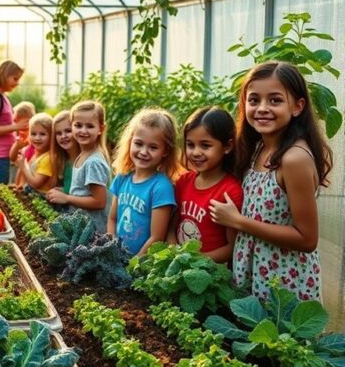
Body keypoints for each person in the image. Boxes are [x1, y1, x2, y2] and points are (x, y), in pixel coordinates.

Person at [210, 62, 332, 301]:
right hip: (254, 274)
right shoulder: (257, 149)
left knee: (279, 339)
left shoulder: (293, 158)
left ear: (297, 107)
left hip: (283, 284)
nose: (262, 108)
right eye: (254, 100)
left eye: (275, 100)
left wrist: (238, 221)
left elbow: (307, 239)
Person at [168, 106, 242, 263]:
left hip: (210, 274)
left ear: (227, 146)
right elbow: (171, 226)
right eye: (190, 144)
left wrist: (195, 261)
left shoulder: (230, 192)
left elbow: (233, 246)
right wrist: (175, 255)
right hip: (179, 266)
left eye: (205, 145)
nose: (195, 152)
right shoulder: (183, 182)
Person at [107, 109, 181, 257]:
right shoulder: (122, 177)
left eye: (153, 147)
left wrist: (133, 264)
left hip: (142, 264)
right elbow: (112, 219)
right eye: (139, 144)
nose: (143, 151)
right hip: (117, 256)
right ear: (130, 142)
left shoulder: (161, 187)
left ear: (165, 151)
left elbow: (157, 237)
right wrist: (112, 245)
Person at [47, 102, 110, 231]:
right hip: (82, 226)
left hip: (93, 230)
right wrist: (66, 192)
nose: (83, 131)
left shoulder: (94, 162)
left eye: (90, 126)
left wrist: (66, 198)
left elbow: (99, 202)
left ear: (101, 129)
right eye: (78, 125)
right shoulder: (83, 154)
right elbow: (83, 191)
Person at [15, 112, 56, 193]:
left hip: (41, 200)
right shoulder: (36, 153)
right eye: (33, 134)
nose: (37, 138)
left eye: (42, 134)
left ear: (52, 136)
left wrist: (23, 166)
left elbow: (35, 184)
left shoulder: (48, 158)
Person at [9, 101, 35, 187]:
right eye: (15, 122)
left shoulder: (34, 138)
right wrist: (16, 146)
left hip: (30, 174)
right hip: (21, 172)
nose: (17, 126)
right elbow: (12, 158)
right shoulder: (19, 136)